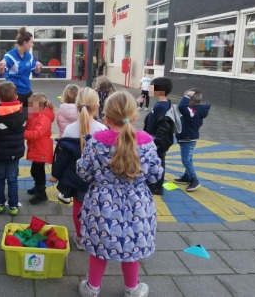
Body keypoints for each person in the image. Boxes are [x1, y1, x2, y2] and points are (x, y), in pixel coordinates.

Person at [77, 91, 163, 297]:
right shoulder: (147, 142)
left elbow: (83, 172)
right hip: (137, 204)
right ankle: (132, 289)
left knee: (100, 244)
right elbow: (155, 175)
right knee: (132, 247)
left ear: (107, 117)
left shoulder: (96, 141)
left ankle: (92, 288)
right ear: (134, 116)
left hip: (101, 203)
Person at [50, 87, 107, 249]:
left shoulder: (69, 129)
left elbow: (62, 157)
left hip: (75, 178)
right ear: (97, 106)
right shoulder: (102, 130)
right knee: (97, 207)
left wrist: (55, 174)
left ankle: (80, 237)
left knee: (78, 206)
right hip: (96, 179)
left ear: (76, 106)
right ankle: (96, 235)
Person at [0, 81, 26, 216]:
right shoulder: (23, 112)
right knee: (12, 180)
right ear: (16, 96)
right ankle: (13, 206)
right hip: (15, 153)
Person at [0, 27, 43, 114]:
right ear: (24, 43)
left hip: (27, 90)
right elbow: (0, 73)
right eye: (31, 42)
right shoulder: (10, 56)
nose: (32, 45)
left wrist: (37, 68)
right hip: (14, 93)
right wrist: (1, 68)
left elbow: (36, 74)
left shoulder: (29, 56)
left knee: (34, 112)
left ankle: (27, 125)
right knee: (17, 115)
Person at [174, 88, 211, 192]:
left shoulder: (192, 111)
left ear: (191, 101)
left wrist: (187, 96)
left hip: (187, 139)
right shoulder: (195, 110)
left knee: (186, 160)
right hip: (189, 138)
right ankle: (187, 176)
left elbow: (181, 107)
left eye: (187, 99)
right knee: (188, 158)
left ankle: (194, 180)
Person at [143, 77, 174, 196]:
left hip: (158, 141)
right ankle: (155, 183)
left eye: (152, 85)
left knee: (159, 161)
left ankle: (157, 186)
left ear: (160, 90)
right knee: (158, 160)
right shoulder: (161, 103)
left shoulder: (162, 106)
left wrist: (157, 141)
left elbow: (164, 126)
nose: (150, 88)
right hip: (155, 139)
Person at [25, 92, 55, 204]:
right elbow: (30, 124)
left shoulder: (44, 118)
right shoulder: (37, 114)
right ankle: (38, 188)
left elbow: (37, 133)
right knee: (37, 171)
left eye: (32, 106)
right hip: (37, 148)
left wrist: (22, 133)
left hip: (41, 148)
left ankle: (41, 193)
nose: (29, 109)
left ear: (41, 106)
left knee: (37, 172)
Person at [55, 84, 80, 205]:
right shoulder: (82, 111)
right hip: (78, 143)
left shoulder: (61, 109)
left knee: (64, 166)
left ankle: (64, 193)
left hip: (64, 142)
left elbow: (59, 124)